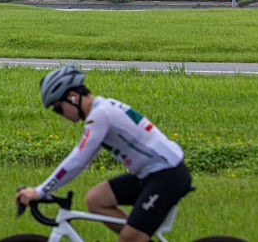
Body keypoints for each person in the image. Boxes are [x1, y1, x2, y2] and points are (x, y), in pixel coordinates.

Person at [14, 63, 192, 242]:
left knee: (129, 239)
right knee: (96, 199)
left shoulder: (100, 115)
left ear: (73, 97)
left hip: (167, 175)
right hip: (151, 173)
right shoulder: (102, 109)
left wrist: (40, 191)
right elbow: (82, 158)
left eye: (58, 108)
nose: (60, 114)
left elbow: (78, 160)